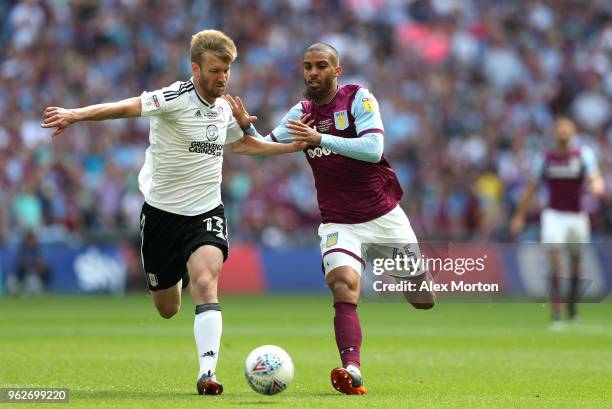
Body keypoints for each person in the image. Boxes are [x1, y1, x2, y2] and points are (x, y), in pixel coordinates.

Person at [41, 29, 305, 396]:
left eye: (227, 70)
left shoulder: (225, 108)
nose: (222, 78)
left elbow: (245, 146)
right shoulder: (174, 97)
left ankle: (207, 374)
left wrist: (295, 147)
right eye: (215, 69)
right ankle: (176, 271)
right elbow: (126, 107)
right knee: (168, 307)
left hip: (206, 212)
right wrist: (75, 114)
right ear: (195, 68)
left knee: (206, 282)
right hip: (162, 215)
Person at [224, 43, 436, 395]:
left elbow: (373, 150)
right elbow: (261, 151)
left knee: (423, 299)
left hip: (383, 216)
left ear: (336, 71)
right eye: (307, 66)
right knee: (342, 284)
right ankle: (351, 369)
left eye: (321, 65)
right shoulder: (302, 111)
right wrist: (246, 130)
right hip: (339, 222)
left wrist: (321, 138)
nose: (313, 72)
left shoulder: (358, 99)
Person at [511, 117, 605, 325]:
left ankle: (572, 306)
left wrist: (598, 185)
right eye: (559, 128)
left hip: (577, 216)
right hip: (554, 215)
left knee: (576, 266)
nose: (562, 131)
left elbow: (594, 176)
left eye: (566, 128)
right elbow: (531, 187)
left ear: (573, 132)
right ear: (554, 132)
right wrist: (519, 215)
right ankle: (556, 310)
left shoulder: (583, 155)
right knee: (555, 262)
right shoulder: (545, 157)